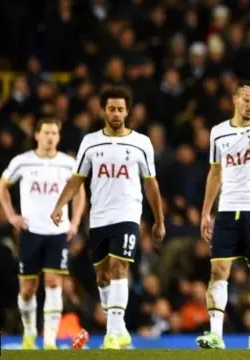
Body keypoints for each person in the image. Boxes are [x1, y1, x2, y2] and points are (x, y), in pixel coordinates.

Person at [50, 86, 165, 349]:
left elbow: (151, 185)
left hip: (128, 214)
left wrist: (159, 220)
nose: (116, 113)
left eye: (121, 109)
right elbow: (77, 179)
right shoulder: (90, 142)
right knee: (102, 276)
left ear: (128, 111)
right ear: (103, 110)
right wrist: (59, 205)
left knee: (118, 266)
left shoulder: (141, 143)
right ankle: (121, 328)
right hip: (99, 217)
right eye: (111, 108)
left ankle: (113, 332)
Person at [196, 80, 250, 350]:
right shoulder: (218, 133)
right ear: (235, 100)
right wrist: (206, 211)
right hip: (228, 209)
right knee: (218, 270)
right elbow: (215, 172)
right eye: (245, 100)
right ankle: (216, 335)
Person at [0, 118, 86, 349]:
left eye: (54, 133)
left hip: (57, 233)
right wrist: (11, 215)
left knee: (54, 283)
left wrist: (75, 222)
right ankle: (29, 333)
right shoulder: (23, 162)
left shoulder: (68, 164)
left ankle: (49, 340)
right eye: (46, 132)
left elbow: (80, 193)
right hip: (31, 232)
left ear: (59, 136)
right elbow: (1, 186)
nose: (50, 137)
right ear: (37, 135)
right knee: (28, 288)